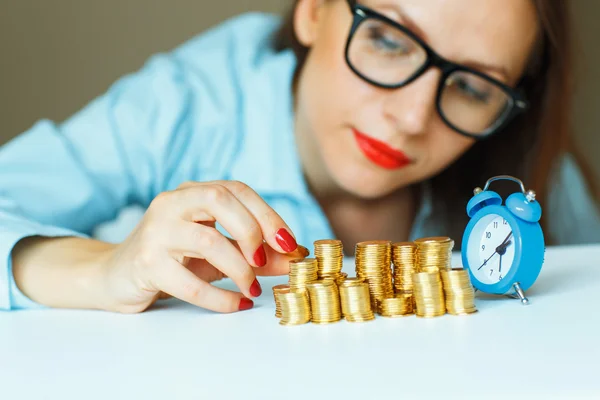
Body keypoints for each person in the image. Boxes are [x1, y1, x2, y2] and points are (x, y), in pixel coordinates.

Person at [1, 0, 598, 314]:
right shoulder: (187, 103)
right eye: (389, 40)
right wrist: (104, 270)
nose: (412, 117)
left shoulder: (525, 174)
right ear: (313, 8)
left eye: (471, 87)